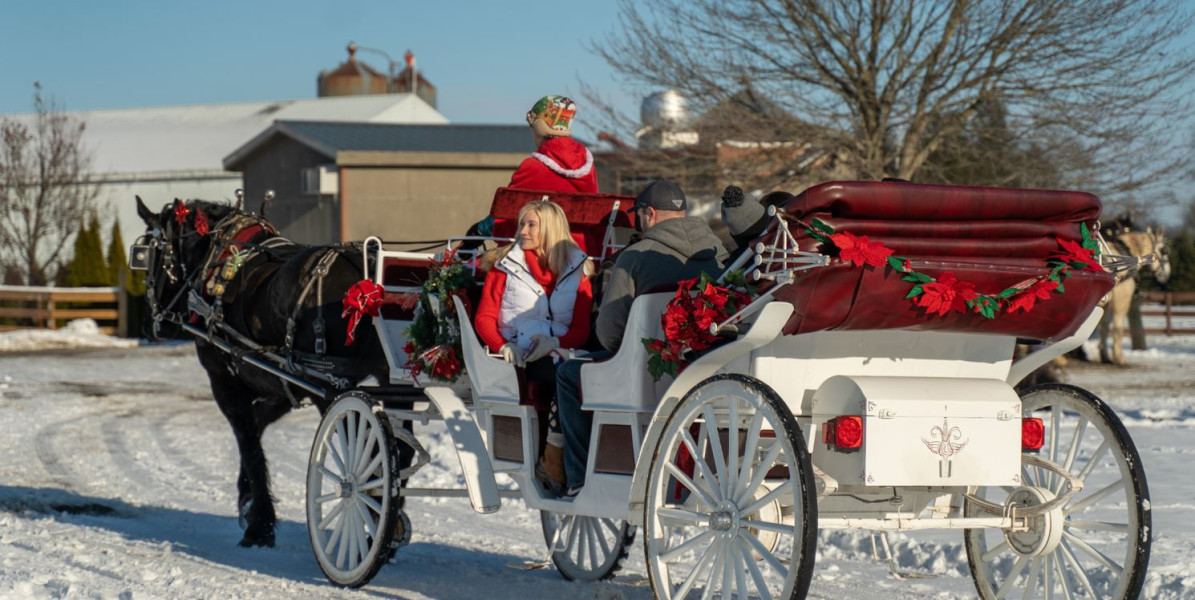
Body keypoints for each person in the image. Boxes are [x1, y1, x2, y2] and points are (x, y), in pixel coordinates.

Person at [556, 179, 729, 495]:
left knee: (567, 374)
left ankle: (578, 479)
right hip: (706, 366)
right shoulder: (718, 252)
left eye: (639, 215)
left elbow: (609, 332)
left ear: (648, 213)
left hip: (645, 373)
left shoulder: (634, 256)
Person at [473, 199, 594, 496]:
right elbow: (484, 318)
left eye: (531, 225)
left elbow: (581, 329)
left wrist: (556, 343)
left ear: (550, 229)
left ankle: (570, 459)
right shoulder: (505, 265)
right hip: (520, 354)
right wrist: (503, 346)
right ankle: (555, 460)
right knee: (564, 378)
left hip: (559, 351)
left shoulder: (579, 268)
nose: (522, 231)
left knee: (580, 375)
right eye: (521, 224)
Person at [466, 95, 597, 242]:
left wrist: (478, 230)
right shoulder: (587, 166)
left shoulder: (533, 166)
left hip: (541, 248)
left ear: (540, 127)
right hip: (581, 248)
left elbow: (505, 212)